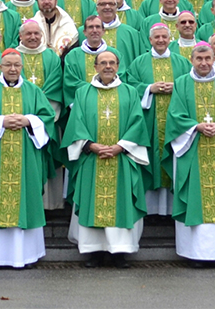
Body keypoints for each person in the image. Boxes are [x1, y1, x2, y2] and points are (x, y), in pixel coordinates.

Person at [64, 50, 150, 268]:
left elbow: (137, 123)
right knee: (91, 201)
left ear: (118, 65)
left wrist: (120, 147)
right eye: (103, 63)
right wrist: (90, 145)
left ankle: (120, 252)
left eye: (112, 62)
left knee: (122, 202)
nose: (108, 67)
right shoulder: (83, 92)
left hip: (121, 159)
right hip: (92, 160)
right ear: (95, 67)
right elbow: (76, 123)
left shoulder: (129, 92)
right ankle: (93, 252)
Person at [0, 48, 55, 268]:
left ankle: (26, 256)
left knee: (25, 200)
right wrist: (0, 122)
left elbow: (47, 118)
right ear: (0, 66)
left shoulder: (34, 91)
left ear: (22, 67)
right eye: (8, 65)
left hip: (26, 158)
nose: (12, 69)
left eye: (17, 65)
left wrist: (29, 121)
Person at [166, 43, 215, 267]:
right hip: (191, 148)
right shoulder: (182, 83)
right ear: (192, 60)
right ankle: (194, 253)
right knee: (194, 198)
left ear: (214, 59)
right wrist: (195, 127)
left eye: (208, 59)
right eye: (199, 59)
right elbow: (175, 114)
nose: (204, 63)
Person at [125, 23, 190, 216]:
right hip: (149, 120)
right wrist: (148, 89)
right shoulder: (138, 62)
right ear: (150, 40)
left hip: (174, 123)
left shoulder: (182, 62)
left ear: (170, 39)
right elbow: (129, 85)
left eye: (164, 37)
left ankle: (172, 209)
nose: (161, 40)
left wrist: (176, 87)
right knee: (151, 160)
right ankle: (152, 210)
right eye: (157, 37)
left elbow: (190, 86)